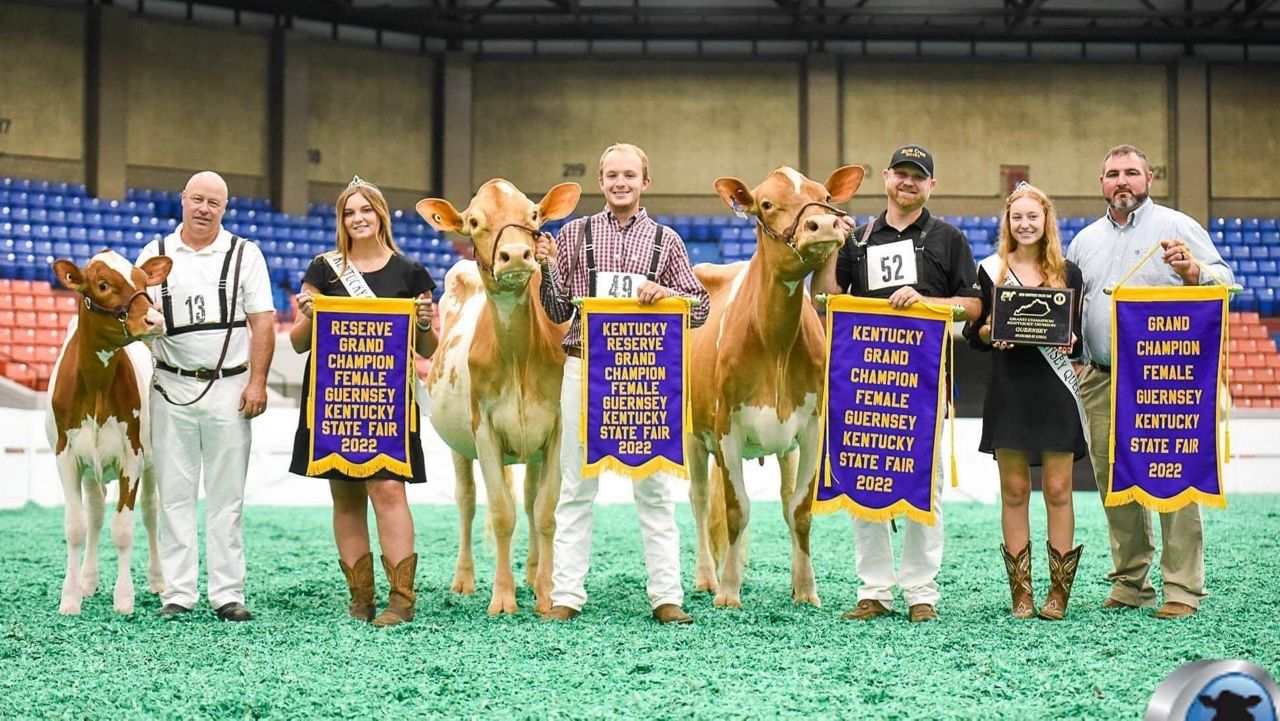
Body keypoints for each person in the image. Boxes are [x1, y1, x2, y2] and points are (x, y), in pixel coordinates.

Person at [534, 143, 710, 625]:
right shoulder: (574, 234)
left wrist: (668, 293)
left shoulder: (667, 241)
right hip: (584, 366)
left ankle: (666, 596)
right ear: (601, 180)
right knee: (575, 485)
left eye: (629, 175)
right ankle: (567, 594)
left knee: (653, 486)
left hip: (647, 375)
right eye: (611, 175)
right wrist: (547, 267)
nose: (620, 183)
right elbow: (556, 312)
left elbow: (700, 308)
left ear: (645, 182)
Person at [812, 144, 981, 623]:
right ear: (886, 179)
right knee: (866, 479)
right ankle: (875, 591)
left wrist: (926, 302)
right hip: (865, 383)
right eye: (901, 174)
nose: (908, 182)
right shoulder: (858, 238)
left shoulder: (949, 239)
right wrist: (830, 246)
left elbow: (972, 307)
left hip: (925, 385)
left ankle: (920, 592)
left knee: (924, 487)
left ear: (931, 186)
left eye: (918, 176)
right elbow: (825, 299)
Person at [1067, 144, 1233, 620]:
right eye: (1113, 173)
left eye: (1131, 173)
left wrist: (1192, 271)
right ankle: (1131, 581)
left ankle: (1181, 588)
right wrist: (1077, 356)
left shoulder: (1178, 227)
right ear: (1101, 183)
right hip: (1099, 377)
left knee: (1172, 477)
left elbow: (1226, 278)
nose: (1122, 181)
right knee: (1112, 481)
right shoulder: (1084, 241)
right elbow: (1077, 309)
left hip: (1161, 377)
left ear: (1149, 179)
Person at [289, 176, 438, 627]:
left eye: (365, 210)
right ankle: (360, 598)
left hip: (387, 398)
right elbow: (298, 343)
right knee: (346, 494)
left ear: (380, 215)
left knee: (389, 489)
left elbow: (428, 350)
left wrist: (426, 322)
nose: (358, 219)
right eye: (349, 213)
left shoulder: (411, 274)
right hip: (334, 395)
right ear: (342, 220)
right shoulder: (324, 269)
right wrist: (310, 316)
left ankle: (401, 600)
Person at [137, 171, 275, 621]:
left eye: (213, 203)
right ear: (182, 200)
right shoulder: (154, 253)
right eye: (197, 199)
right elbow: (134, 317)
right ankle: (177, 595)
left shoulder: (245, 254)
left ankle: (227, 594)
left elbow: (263, 323)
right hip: (169, 386)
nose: (203, 208)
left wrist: (257, 382)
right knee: (172, 494)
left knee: (226, 496)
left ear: (225, 208)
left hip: (230, 388)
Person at [963, 183, 1087, 620]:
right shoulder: (991, 270)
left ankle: (1058, 593)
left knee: (1058, 489)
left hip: (1054, 390)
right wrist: (988, 330)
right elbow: (972, 334)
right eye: (1018, 217)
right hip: (1010, 389)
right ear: (1008, 222)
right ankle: (1021, 592)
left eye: (1033, 216)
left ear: (1046, 220)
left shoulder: (1069, 273)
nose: (1026, 224)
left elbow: (1079, 338)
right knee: (1013, 491)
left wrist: (1071, 340)